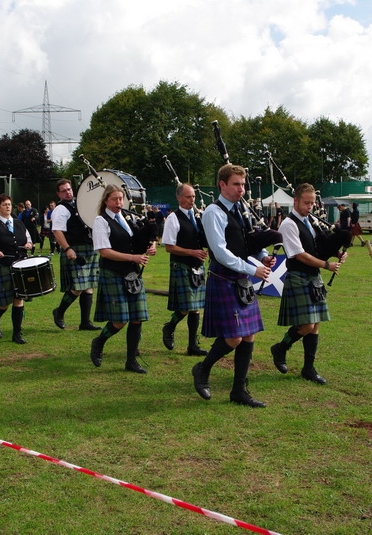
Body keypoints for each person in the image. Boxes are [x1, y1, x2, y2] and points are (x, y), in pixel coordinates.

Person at [191, 163, 275, 408]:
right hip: (225, 279)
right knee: (234, 338)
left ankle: (239, 390)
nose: (242, 189)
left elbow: (249, 241)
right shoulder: (213, 213)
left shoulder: (240, 209)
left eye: (243, 184)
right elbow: (220, 251)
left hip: (241, 280)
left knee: (247, 335)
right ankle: (202, 368)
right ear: (222, 185)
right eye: (236, 184)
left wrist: (262, 256)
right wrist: (254, 269)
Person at [270, 183, 343, 384]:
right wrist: (327, 265)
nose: (310, 206)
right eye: (306, 203)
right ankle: (281, 347)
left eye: (312, 203)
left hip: (313, 277)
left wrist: (336, 252)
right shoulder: (288, 224)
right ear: (295, 201)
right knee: (306, 325)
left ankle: (308, 369)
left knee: (316, 324)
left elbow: (318, 245)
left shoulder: (310, 220)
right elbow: (299, 255)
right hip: (298, 276)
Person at [89, 184, 157, 374]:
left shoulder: (128, 218)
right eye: (114, 199)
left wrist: (149, 247)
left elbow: (135, 243)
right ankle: (99, 342)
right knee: (120, 321)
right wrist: (133, 258)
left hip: (132, 273)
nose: (119, 202)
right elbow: (104, 252)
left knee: (137, 318)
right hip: (113, 272)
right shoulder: (101, 221)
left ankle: (131, 361)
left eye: (120, 199)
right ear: (106, 201)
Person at [160, 183, 208, 357]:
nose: (191, 200)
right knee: (187, 306)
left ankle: (192, 346)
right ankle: (169, 326)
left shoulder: (197, 216)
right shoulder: (173, 218)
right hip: (181, 265)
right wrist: (191, 252)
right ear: (179, 198)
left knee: (195, 307)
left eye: (193, 196)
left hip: (197, 266)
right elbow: (169, 247)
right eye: (188, 197)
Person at [0, 195, 33, 344]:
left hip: (20, 267)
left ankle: (17, 334)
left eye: (9, 204)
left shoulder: (19, 223)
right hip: (2, 266)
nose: (8, 207)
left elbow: (28, 239)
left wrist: (28, 244)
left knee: (18, 299)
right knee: (4, 303)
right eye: (4, 205)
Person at [51, 179, 100, 331]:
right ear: (58, 193)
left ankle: (85, 322)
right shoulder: (60, 209)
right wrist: (67, 249)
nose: (68, 192)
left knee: (89, 286)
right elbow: (57, 231)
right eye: (64, 190)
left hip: (89, 247)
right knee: (78, 287)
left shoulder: (79, 204)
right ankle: (59, 311)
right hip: (75, 248)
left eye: (69, 189)